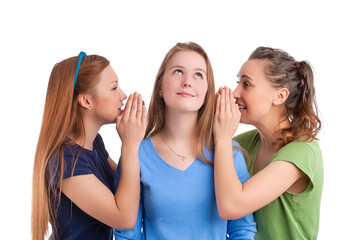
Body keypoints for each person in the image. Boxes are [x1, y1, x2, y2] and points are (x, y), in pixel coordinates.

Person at [114, 42, 256, 239]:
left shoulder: (230, 153)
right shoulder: (135, 154)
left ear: (207, 93)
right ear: (160, 88)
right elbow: (127, 234)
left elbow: (242, 229)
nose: (187, 82)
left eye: (198, 74)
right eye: (178, 71)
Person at [31, 52, 147, 240]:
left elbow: (128, 185)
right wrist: (130, 144)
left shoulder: (94, 143)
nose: (123, 95)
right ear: (86, 101)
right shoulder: (65, 160)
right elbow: (125, 218)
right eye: (114, 87)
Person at [213, 47, 323, 239]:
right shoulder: (245, 143)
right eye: (237, 82)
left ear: (279, 96)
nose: (235, 92)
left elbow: (231, 206)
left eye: (246, 84)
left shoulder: (302, 152)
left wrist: (222, 137)